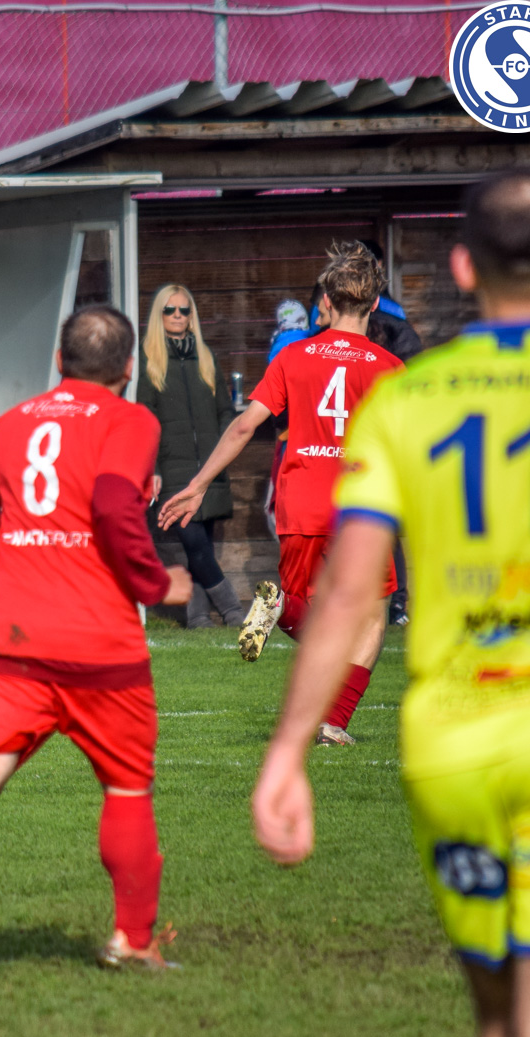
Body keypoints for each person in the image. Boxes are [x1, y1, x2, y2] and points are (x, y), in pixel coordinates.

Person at [254, 166, 530, 1037]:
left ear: (465, 268)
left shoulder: (410, 401)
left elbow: (350, 593)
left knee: (498, 1019)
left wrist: (287, 751)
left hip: (455, 747)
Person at [0, 305, 194, 969]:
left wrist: (30, 552)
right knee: (126, 787)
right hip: (98, 640)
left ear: (59, 361)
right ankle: (132, 942)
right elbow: (112, 505)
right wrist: (154, 582)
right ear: (127, 367)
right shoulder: (131, 420)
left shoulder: (18, 420)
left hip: (13, 635)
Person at [160, 242, 403, 746]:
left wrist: (198, 485)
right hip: (360, 508)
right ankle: (334, 721)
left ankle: (280, 611)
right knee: (372, 615)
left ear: (327, 301)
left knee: (308, 613)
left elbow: (243, 427)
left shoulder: (293, 356)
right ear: (375, 303)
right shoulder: (389, 367)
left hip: (302, 501)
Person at [137, 284, 245, 628]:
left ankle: (198, 617)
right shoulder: (148, 359)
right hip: (172, 469)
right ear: (159, 314)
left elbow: (225, 411)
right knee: (195, 542)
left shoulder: (206, 356)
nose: (178, 316)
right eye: (170, 310)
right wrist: (153, 468)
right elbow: (144, 420)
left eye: (184, 310)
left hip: (209, 469)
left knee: (202, 548)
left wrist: (221, 449)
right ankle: (234, 611)